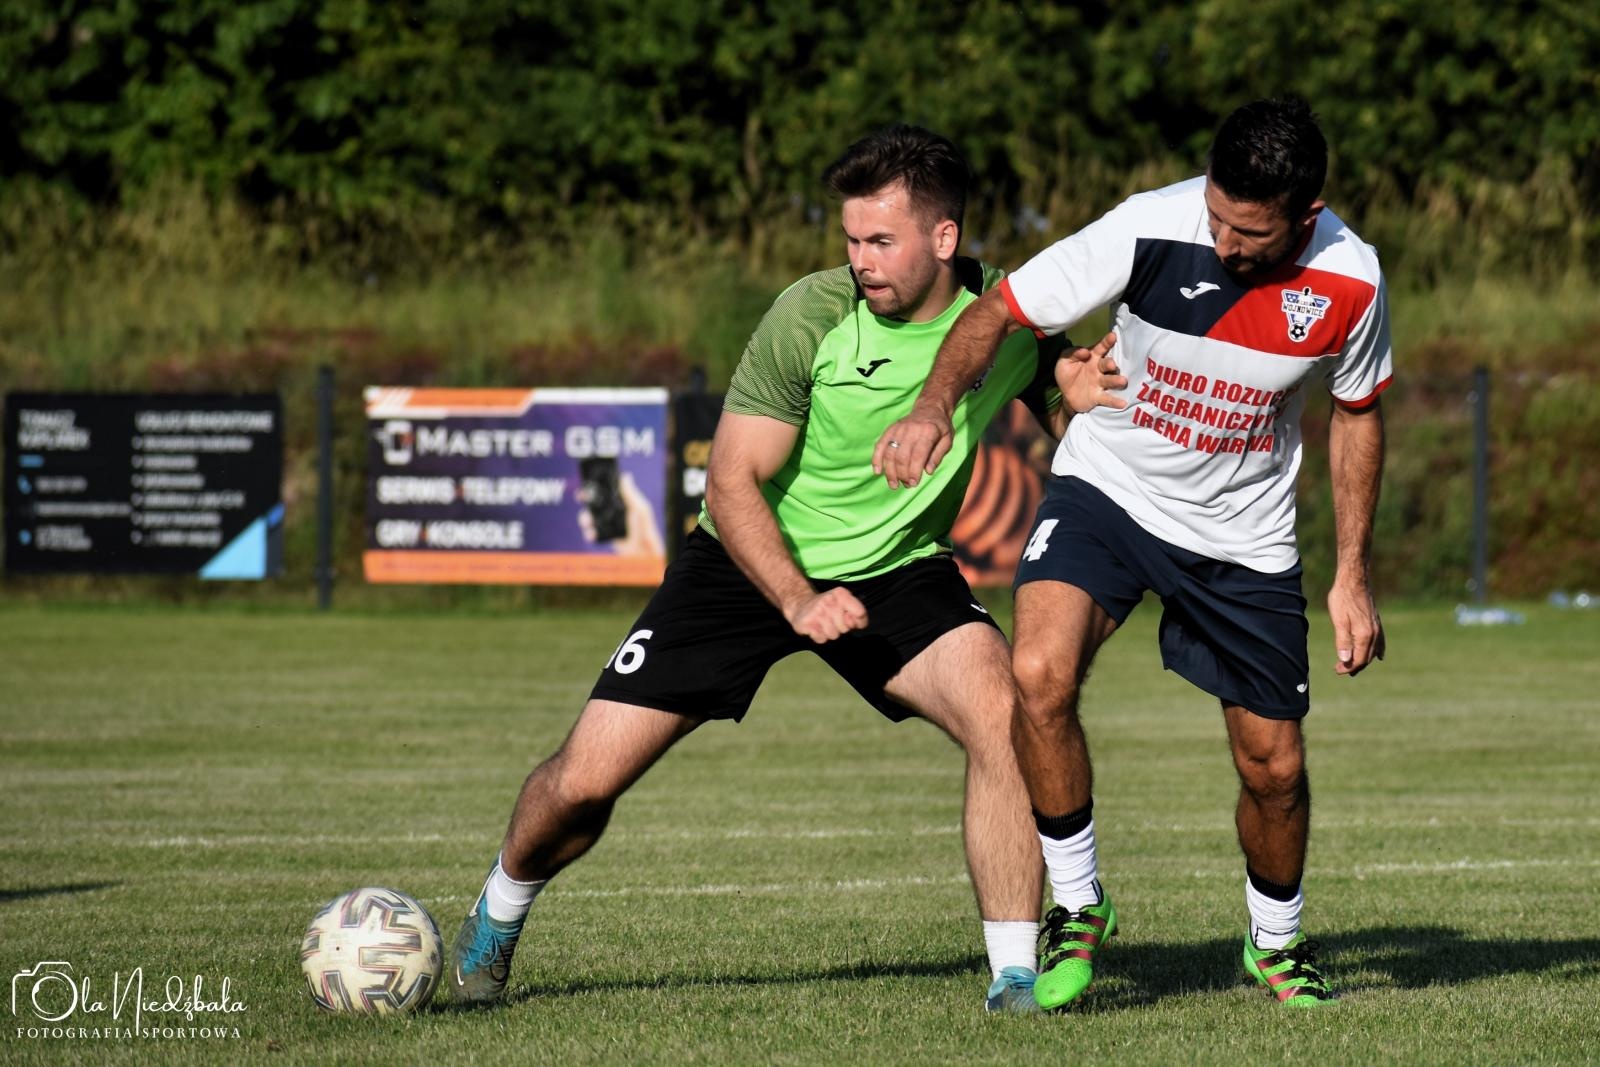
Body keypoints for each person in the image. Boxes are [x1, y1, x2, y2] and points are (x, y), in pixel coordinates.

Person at [449, 124, 1123, 1014]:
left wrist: (1081, 407)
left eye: (880, 239)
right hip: (746, 562)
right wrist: (798, 598)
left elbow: (1073, 422)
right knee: (584, 780)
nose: (860, 260)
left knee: (1006, 718)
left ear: (944, 236)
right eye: (851, 238)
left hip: (900, 572)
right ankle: (499, 910)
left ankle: (1014, 975)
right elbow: (731, 482)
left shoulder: (1008, 315)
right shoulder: (810, 314)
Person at [874, 96, 1391, 1010]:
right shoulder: (1149, 226)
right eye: (1218, 218)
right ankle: (1078, 904)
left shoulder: (1351, 278)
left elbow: (1358, 413)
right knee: (1037, 673)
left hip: (1243, 534)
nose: (1225, 244)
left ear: (1306, 216)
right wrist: (931, 406)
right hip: (1108, 492)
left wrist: (1352, 572)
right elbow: (999, 311)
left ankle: (1276, 940)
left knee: (1273, 767)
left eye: (1250, 234)